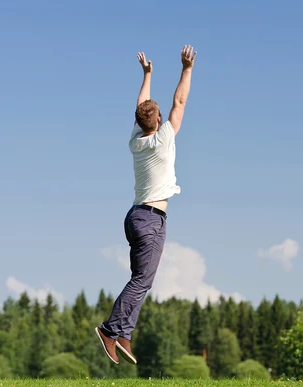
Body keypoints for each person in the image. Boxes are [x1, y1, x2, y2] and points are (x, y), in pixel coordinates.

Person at [95, 45, 197, 365]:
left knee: (141, 278)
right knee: (142, 280)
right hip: (151, 218)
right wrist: (186, 68)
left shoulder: (135, 140)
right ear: (158, 120)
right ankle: (110, 329)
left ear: (140, 122)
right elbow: (179, 101)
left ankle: (124, 332)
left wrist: (147, 74)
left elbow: (141, 108)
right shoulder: (164, 138)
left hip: (134, 216)